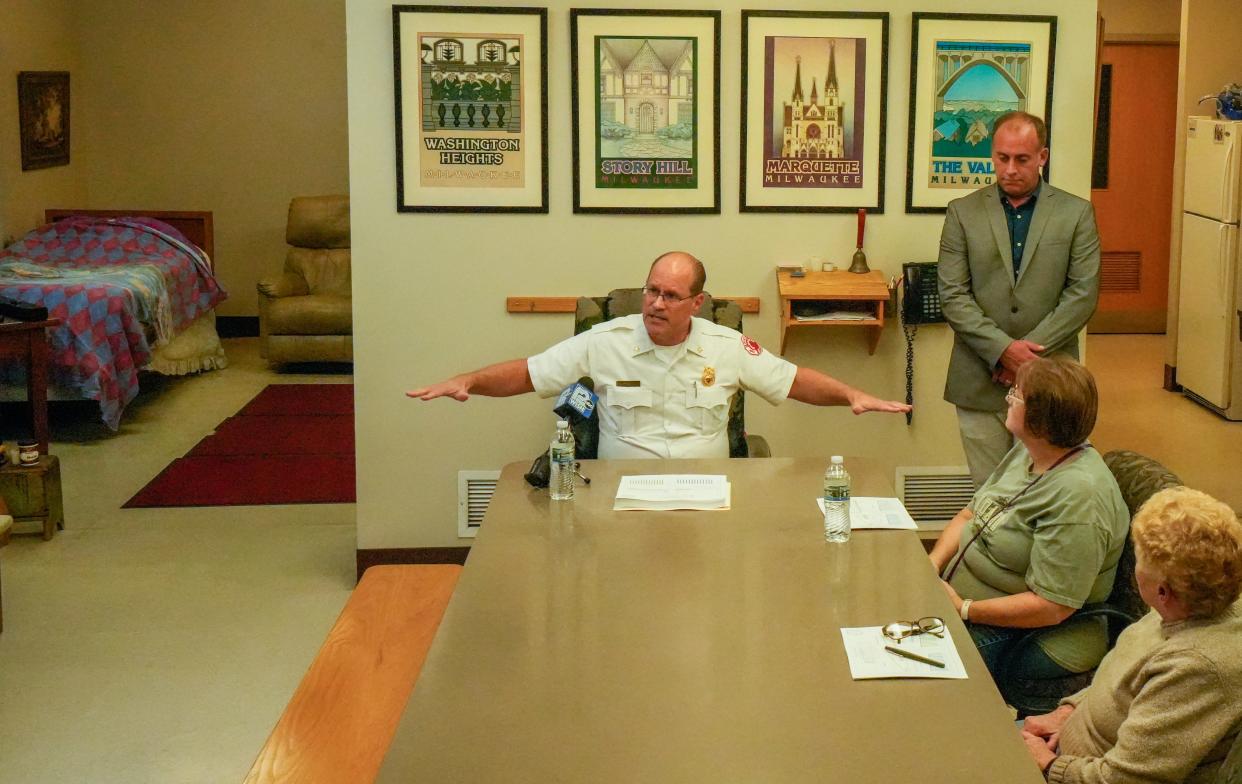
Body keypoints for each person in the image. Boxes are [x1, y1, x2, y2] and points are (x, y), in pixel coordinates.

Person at [408, 251, 910, 458]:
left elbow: (793, 380)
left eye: (670, 296)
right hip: (620, 499)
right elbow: (529, 372)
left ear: (696, 303)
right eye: (651, 291)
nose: (655, 304)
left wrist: (850, 394)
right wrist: (469, 380)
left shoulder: (728, 345)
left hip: (708, 499)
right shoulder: (605, 340)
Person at [928, 356, 1128, 693]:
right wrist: (930, 566)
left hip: (1038, 635)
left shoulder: (1079, 496)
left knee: (918, 677)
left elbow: (1053, 606)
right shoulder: (1030, 451)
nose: (1007, 397)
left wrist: (964, 609)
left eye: (1016, 395)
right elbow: (969, 515)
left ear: (1041, 418)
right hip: (974, 606)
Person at [1020, 486, 1242, 784]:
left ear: (1163, 592)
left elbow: (1125, 779)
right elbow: (1123, 680)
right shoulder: (1191, 599)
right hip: (1064, 742)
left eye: (1138, 558)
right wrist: (1067, 712)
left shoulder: (1196, 668)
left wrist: (1048, 765)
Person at [937, 111, 1101, 488]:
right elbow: (953, 295)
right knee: (990, 495)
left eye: (1022, 159)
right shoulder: (962, 213)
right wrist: (1003, 351)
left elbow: (1082, 294)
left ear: (1042, 156)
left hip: (1053, 384)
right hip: (979, 378)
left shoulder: (1076, 213)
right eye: (1002, 158)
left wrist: (1026, 360)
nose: (1010, 169)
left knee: (1048, 492)